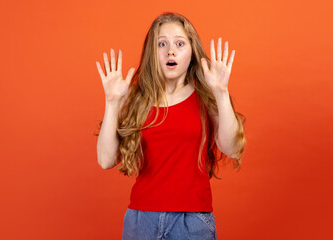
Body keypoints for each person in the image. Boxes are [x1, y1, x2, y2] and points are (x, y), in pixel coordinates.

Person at [95, 12, 245, 240]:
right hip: (141, 219)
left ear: (192, 52)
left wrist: (221, 92)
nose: (170, 51)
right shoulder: (136, 98)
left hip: (192, 221)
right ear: (152, 54)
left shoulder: (207, 96)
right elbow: (106, 160)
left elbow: (232, 148)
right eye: (161, 43)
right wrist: (112, 103)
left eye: (180, 43)